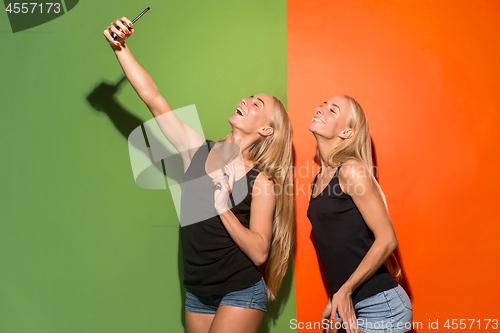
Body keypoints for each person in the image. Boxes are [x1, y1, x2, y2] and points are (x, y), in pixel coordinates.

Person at [103, 17, 294, 333]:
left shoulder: (260, 181)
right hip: (197, 292)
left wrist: (222, 207)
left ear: (265, 129)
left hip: (240, 291)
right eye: (249, 96)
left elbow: (261, 252)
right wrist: (120, 48)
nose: (245, 100)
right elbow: (154, 99)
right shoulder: (197, 149)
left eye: (257, 103)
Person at [307, 95, 412, 333]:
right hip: (349, 303)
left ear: (347, 133)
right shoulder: (317, 182)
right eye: (323, 104)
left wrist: (344, 290)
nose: (321, 109)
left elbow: (387, 239)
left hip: (382, 305)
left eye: (333, 110)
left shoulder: (351, 171)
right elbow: (341, 249)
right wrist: (336, 299)